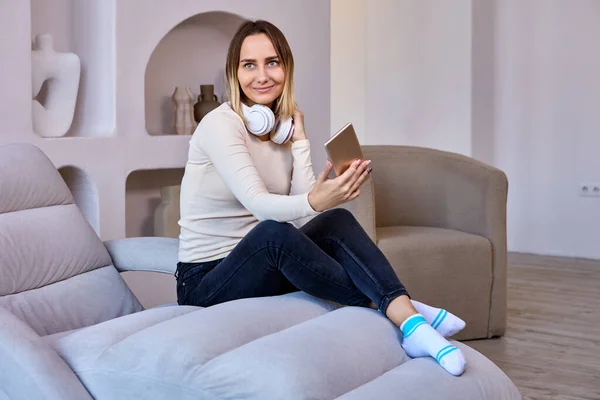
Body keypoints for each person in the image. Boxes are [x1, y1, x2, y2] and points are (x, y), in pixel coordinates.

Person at [176, 19, 466, 376]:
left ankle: (407, 319)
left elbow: (301, 219)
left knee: (336, 221)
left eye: (272, 62)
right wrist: (318, 200)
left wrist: (299, 142)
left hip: (261, 266)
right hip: (206, 280)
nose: (262, 75)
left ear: (287, 67)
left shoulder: (279, 128)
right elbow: (260, 204)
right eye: (248, 65)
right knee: (273, 234)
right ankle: (409, 313)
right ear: (233, 74)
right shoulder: (221, 125)